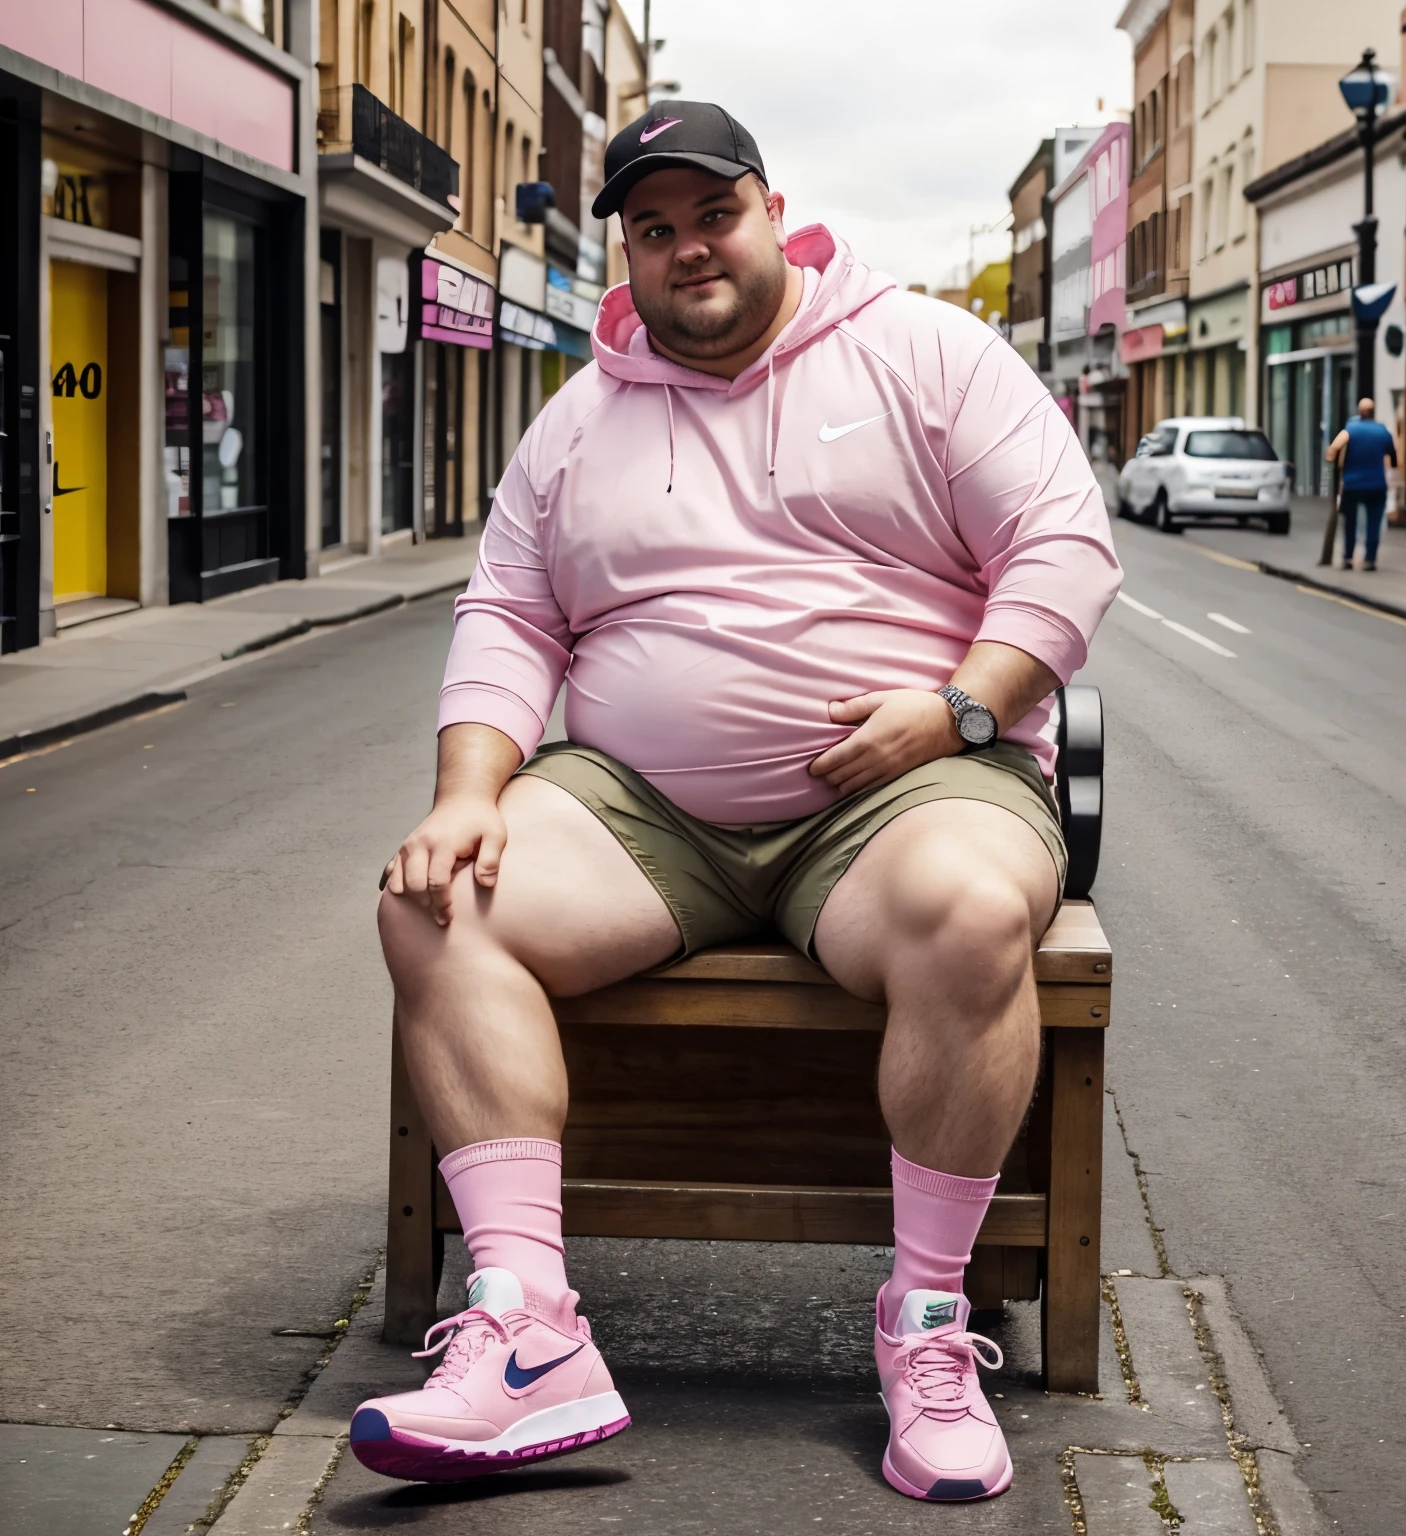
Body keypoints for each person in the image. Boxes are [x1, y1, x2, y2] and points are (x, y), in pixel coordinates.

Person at [349, 101, 1122, 1504]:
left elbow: (1063, 550)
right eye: (654, 230)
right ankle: (530, 1333)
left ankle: (929, 1328)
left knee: (966, 909)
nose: (689, 248)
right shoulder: (581, 420)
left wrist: (957, 705)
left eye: (713, 214)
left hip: (912, 788)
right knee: (438, 899)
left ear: (776, 213)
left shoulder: (924, 352)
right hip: (651, 809)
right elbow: (511, 610)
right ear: (626, 261)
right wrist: (469, 786)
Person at [1325, 398, 1397, 571]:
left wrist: (1333, 462)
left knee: (1351, 523)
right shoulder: (1383, 431)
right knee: (1374, 523)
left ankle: (1348, 558)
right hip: (1376, 485)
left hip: (1352, 484)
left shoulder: (1351, 429)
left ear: (1359, 411)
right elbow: (1393, 457)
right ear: (1373, 411)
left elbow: (1333, 450)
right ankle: (1369, 560)